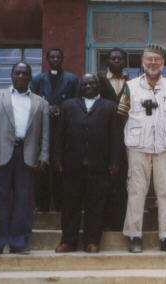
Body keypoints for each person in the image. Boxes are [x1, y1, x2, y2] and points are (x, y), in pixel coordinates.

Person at [0, 62, 49, 256]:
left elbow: (45, 133)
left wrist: (43, 156)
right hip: (0, 155)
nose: (21, 76)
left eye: (25, 73)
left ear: (30, 77)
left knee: (24, 200)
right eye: (17, 73)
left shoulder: (40, 103)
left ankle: (19, 242)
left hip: (27, 157)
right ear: (11, 75)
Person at [118, 44, 166, 253]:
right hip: (138, 145)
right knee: (136, 191)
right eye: (149, 59)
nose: (153, 63)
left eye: (157, 60)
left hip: (165, 146)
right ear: (142, 62)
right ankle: (134, 236)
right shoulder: (130, 86)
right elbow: (121, 115)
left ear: (163, 63)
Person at [54, 73, 120, 253]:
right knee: (70, 206)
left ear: (99, 86)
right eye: (85, 84)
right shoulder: (68, 106)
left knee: (95, 205)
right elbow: (59, 135)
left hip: (100, 165)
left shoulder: (110, 107)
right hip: (72, 165)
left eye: (92, 83)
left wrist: (115, 160)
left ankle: (91, 241)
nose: (88, 87)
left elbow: (116, 136)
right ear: (80, 87)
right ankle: (68, 241)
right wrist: (58, 158)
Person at [30, 48, 80, 212]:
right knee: (42, 169)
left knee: (61, 169)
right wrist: (47, 108)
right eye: (52, 57)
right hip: (43, 129)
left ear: (62, 59)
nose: (56, 59)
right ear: (47, 59)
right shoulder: (38, 79)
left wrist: (62, 109)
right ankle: (42, 205)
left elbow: (77, 103)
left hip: (63, 130)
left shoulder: (71, 79)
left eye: (59, 56)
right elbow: (31, 103)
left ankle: (61, 206)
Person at [97, 47, 129, 231]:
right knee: (104, 180)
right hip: (104, 136)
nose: (116, 61)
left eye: (120, 59)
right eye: (113, 59)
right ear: (107, 61)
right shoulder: (99, 80)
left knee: (122, 180)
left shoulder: (132, 82)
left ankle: (120, 222)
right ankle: (103, 222)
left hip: (126, 135)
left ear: (124, 62)